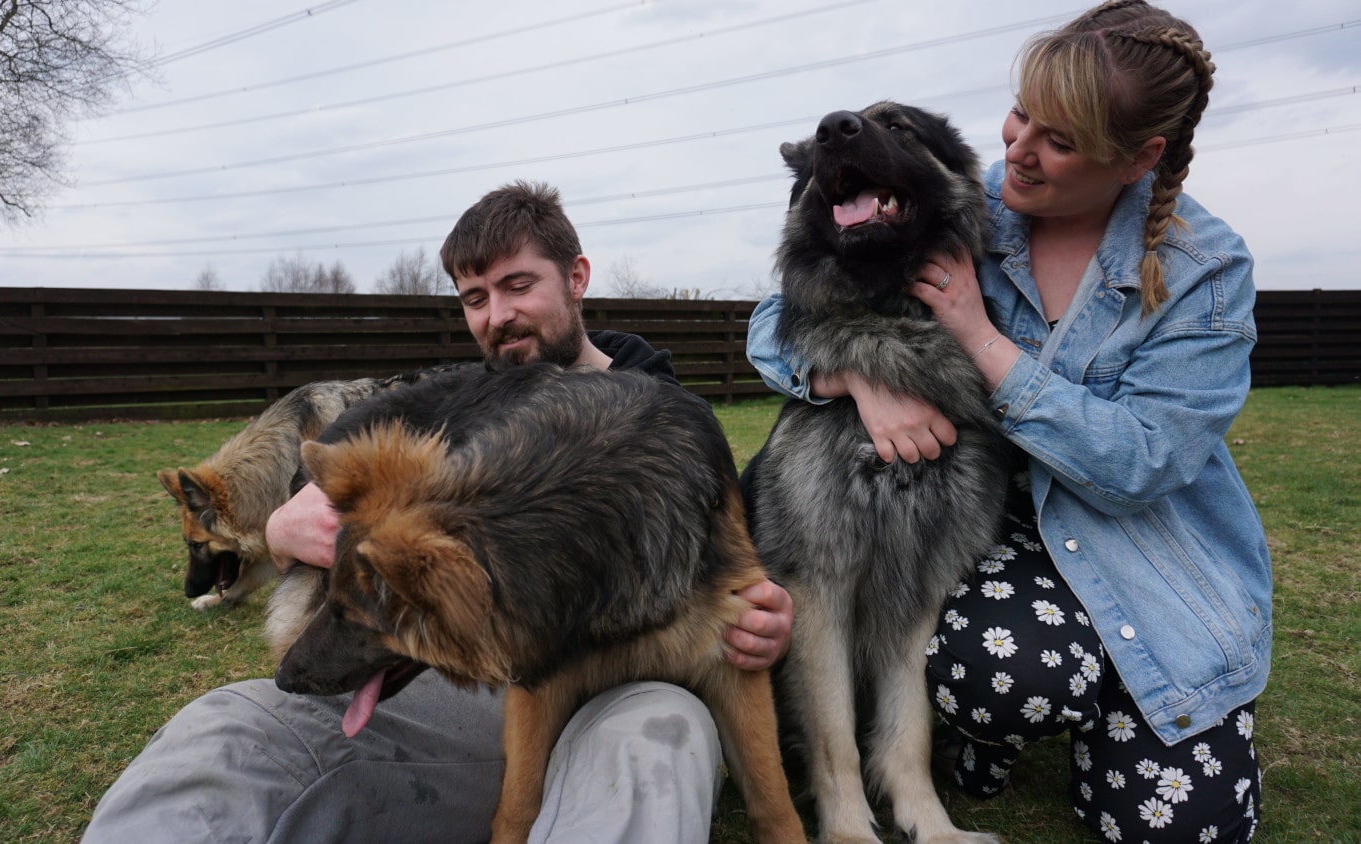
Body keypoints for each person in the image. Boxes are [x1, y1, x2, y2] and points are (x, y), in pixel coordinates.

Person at [84, 181, 794, 843]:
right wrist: (277, 528)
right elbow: (332, 466)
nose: (497, 316)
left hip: (619, 700)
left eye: (518, 286)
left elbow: (743, 580)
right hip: (466, 691)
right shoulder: (462, 402)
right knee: (226, 727)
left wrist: (767, 616)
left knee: (656, 743)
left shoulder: (672, 419)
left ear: (576, 278)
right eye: (474, 297)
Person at [746, 2, 1269, 841]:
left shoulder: (1205, 270)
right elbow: (779, 317)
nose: (1018, 151)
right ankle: (980, 735)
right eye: (1021, 114)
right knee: (997, 669)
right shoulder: (976, 199)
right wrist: (852, 376)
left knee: (1178, 829)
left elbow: (1142, 463)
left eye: (1059, 141)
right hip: (1013, 544)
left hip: (1139, 557)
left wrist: (983, 341)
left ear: (1140, 158)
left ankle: (1121, 699)